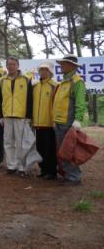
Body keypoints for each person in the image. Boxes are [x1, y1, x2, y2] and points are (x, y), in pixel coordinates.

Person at [53, 54, 87, 185]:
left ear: (72, 66)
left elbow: (80, 103)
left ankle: (74, 177)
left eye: (64, 64)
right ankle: (69, 175)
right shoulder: (63, 82)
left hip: (68, 123)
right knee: (63, 151)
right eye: (61, 63)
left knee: (69, 151)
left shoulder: (77, 82)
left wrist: (77, 120)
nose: (61, 66)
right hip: (59, 122)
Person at [0, 56, 33, 177]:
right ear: (6, 66)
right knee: (8, 142)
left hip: (21, 116)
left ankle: (22, 167)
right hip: (7, 116)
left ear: (18, 65)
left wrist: (29, 116)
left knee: (21, 143)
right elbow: (0, 99)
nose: (11, 66)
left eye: (13, 64)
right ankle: (11, 166)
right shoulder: (2, 80)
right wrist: (1, 116)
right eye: (9, 64)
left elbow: (30, 99)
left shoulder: (26, 79)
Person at [33, 61, 57, 180]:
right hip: (38, 123)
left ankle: (52, 172)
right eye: (41, 69)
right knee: (40, 148)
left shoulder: (55, 85)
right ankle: (43, 170)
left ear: (50, 71)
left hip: (49, 124)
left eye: (46, 70)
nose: (43, 72)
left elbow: (56, 105)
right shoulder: (35, 86)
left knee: (50, 149)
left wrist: (54, 121)